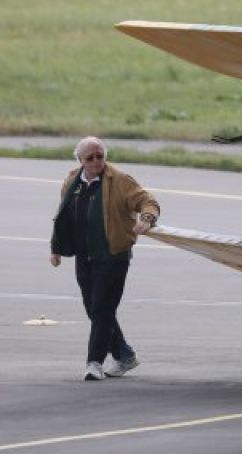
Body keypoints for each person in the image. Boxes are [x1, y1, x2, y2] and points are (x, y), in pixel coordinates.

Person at [49, 137, 160, 381]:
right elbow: (64, 216)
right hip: (84, 256)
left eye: (100, 155)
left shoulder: (119, 180)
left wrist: (147, 219)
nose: (97, 161)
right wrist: (56, 248)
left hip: (113, 255)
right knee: (95, 309)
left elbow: (147, 201)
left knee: (101, 308)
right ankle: (125, 355)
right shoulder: (72, 181)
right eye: (90, 157)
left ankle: (94, 363)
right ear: (80, 160)